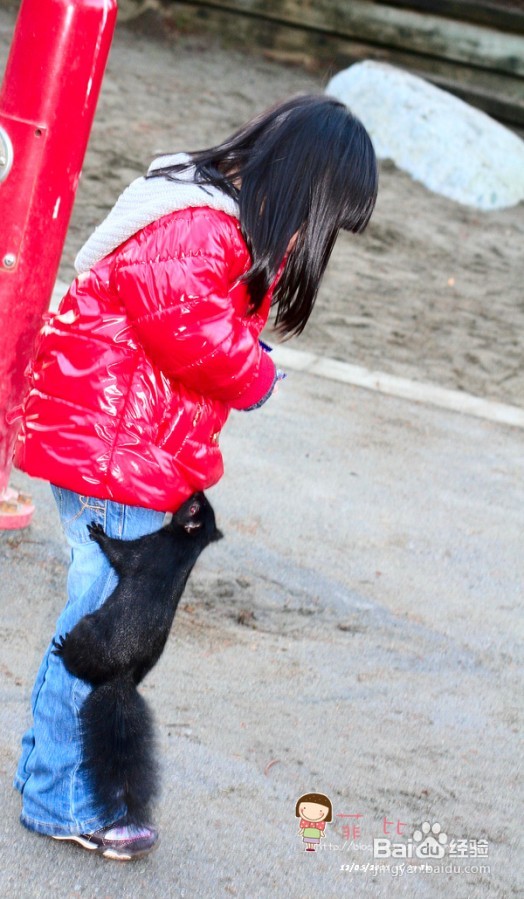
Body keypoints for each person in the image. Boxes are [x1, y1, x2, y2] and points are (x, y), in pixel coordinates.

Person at [11, 94, 378, 860]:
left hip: (122, 445)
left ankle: (55, 778)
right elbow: (191, 334)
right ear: (304, 187)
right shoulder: (201, 226)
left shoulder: (211, 214)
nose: (313, 239)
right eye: (324, 220)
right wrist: (257, 372)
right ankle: (57, 797)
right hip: (114, 450)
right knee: (106, 633)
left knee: (104, 621)